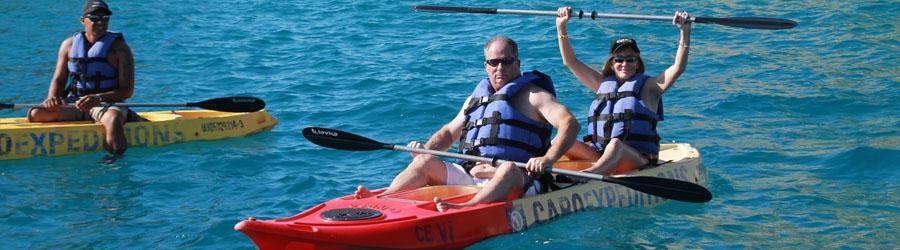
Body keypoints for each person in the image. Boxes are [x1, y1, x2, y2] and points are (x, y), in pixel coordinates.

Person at [355, 36, 580, 212]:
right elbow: (448, 132)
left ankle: (467, 209)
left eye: (506, 61)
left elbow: (570, 124)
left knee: (508, 168)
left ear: (517, 63)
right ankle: (381, 200)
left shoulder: (534, 95)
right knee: (424, 161)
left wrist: (547, 159)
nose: (499, 67)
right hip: (469, 174)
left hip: (519, 179)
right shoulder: (476, 99)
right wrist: (427, 149)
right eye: (494, 62)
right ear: (486, 66)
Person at [555, 6, 692, 175]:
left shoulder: (650, 88)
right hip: (602, 154)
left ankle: (587, 176)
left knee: (615, 144)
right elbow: (570, 62)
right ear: (612, 63)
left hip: (637, 158)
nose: (624, 64)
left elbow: (678, 68)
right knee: (559, 140)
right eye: (619, 59)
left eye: (630, 59)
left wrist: (684, 33)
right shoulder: (601, 83)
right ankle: (541, 177)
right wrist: (561, 26)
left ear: (637, 62)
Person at [28, 0, 138, 157]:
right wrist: (52, 98)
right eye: (94, 17)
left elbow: (127, 91)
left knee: (113, 120)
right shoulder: (68, 45)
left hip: (106, 104)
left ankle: (114, 163)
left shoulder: (120, 49)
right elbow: (59, 79)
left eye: (105, 17)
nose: (100, 21)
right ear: (83, 20)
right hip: (76, 102)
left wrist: (98, 98)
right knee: (36, 114)